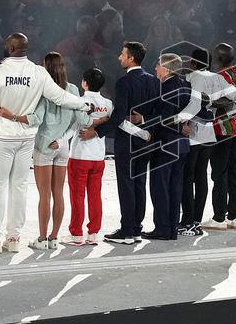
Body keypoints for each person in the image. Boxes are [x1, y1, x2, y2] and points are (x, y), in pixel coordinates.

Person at [0, 33, 91, 254]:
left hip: (1, 138)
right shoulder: (38, 73)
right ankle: (14, 238)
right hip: (26, 139)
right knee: (19, 187)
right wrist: (83, 104)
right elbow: (60, 97)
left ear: (10, 48)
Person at [180, 47, 236, 235]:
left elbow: (223, 101)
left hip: (219, 128)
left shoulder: (217, 76)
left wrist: (206, 101)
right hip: (234, 128)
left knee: (217, 174)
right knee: (231, 172)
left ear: (218, 58)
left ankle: (217, 218)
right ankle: (232, 215)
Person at [85, 42, 159, 245]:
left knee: (126, 185)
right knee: (139, 184)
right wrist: (145, 126)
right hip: (146, 140)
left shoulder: (124, 82)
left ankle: (126, 231)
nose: (119, 57)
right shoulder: (153, 81)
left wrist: (96, 132)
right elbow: (157, 111)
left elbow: (118, 117)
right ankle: (136, 229)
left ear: (131, 58)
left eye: (122, 54)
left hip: (127, 143)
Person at [142, 53, 193, 241]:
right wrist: (184, 127)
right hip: (182, 146)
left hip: (165, 144)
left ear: (167, 69)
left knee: (160, 188)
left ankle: (162, 229)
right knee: (175, 188)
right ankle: (171, 228)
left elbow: (165, 117)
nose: (155, 67)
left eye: (158, 64)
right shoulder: (185, 85)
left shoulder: (165, 88)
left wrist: (143, 119)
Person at [66, 68, 113, 245]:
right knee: (95, 196)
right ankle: (93, 234)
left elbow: (72, 126)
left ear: (84, 83)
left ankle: (76, 234)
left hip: (79, 156)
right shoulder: (108, 104)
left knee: (77, 196)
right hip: (98, 157)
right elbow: (112, 123)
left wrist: (59, 141)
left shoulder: (79, 102)